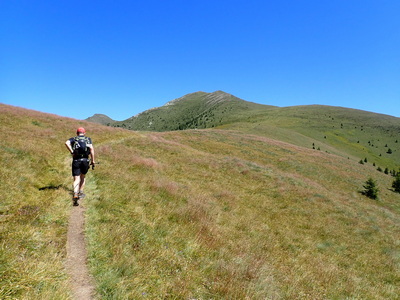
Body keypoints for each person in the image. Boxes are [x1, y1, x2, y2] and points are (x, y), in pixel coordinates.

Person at [65, 127, 95, 206]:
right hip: (85, 160)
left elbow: (66, 143)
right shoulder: (88, 139)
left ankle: (75, 193)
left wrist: (72, 152)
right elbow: (91, 149)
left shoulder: (74, 139)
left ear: (77, 133)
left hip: (76, 160)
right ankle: (80, 192)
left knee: (76, 178)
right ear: (84, 133)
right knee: (83, 176)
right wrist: (93, 160)